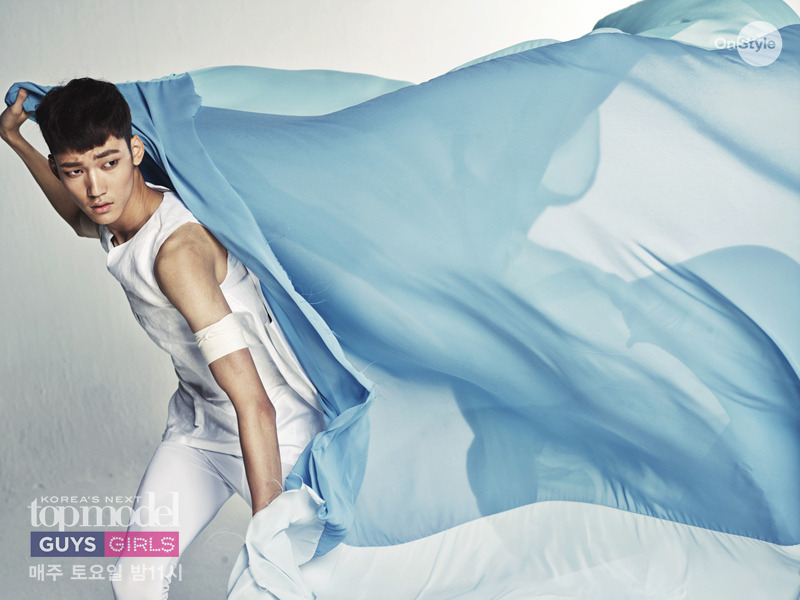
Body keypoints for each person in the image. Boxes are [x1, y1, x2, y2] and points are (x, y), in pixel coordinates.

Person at [0, 78, 326, 599]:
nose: (95, 189)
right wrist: (16, 140)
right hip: (199, 430)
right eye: (75, 171)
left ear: (135, 150)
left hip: (277, 437)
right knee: (134, 579)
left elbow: (255, 402)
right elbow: (78, 219)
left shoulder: (177, 255)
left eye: (108, 163)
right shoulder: (117, 219)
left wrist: (267, 528)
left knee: (292, 586)